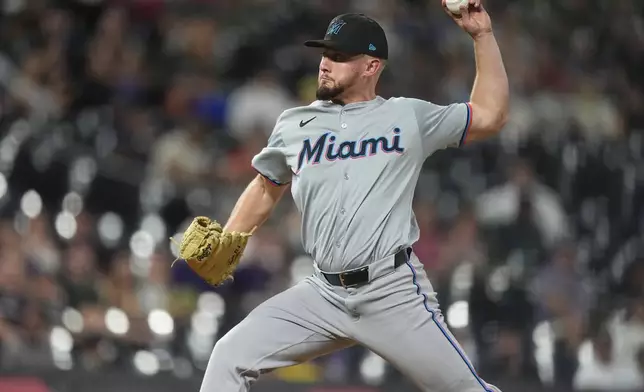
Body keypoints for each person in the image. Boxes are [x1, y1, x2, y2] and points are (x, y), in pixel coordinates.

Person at [200, 1, 509, 391]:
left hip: (391, 291)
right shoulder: (295, 123)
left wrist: (482, 35)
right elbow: (267, 185)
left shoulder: (407, 117)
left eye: (340, 56)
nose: (325, 63)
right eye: (325, 53)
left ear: (371, 66)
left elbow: (489, 114)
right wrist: (230, 238)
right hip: (323, 293)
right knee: (228, 356)